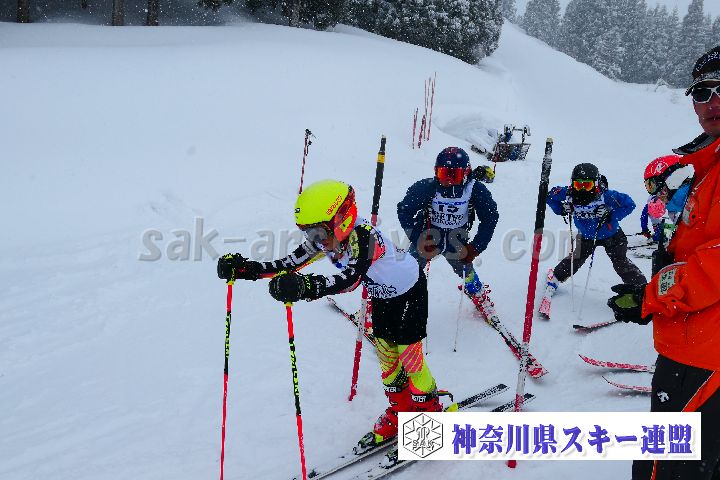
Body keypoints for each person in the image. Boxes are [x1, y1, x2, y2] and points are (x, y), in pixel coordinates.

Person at [216, 179, 446, 451]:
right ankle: (401, 410)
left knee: (410, 357)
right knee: (387, 359)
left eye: (317, 231)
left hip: (409, 291)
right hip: (382, 296)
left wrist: (307, 286)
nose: (315, 239)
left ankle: (429, 416)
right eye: (308, 232)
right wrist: (248, 269)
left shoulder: (365, 237)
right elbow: (290, 263)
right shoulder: (325, 239)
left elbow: (351, 280)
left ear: (341, 219)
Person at [609, 46, 720, 480]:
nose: (712, 102)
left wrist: (650, 296)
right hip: (690, 341)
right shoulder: (704, 166)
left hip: (706, 356)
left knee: (669, 468)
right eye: (702, 92)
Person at [397, 147, 499, 320]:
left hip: (456, 240)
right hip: (429, 238)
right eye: (444, 174)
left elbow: (490, 217)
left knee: (466, 270)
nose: (449, 181)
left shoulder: (475, 189)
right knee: (408, 270)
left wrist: (476, 247)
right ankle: (390, 302)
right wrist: (417, 238)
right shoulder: (427, 187)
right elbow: (404, 210)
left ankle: (476, 292)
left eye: (455, 175)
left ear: (466, 173)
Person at [542, 163, 647, 304]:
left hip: (612, 235)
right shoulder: (568, 193)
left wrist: (611, 213)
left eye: (587, 185)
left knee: (620, 262)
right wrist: (561, 208)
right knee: (575, 259)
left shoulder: (607, 196)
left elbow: (629, 204)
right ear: (572, 184)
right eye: (578, 185)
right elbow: (549, 196)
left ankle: (640, 288)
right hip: (587, 236)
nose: (582, 189)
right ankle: (555, 278)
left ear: (596, 184)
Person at [639, 155, 692, 241]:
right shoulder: (674, 209)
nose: (656, 194)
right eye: (650, 187)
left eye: (654, 185)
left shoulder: (697, 200)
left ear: (673, 178)